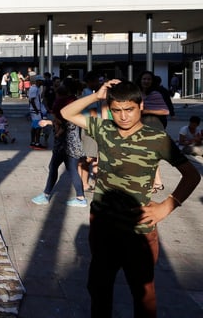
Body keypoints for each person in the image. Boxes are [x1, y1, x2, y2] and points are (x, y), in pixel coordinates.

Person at [61, 79, 200, 317]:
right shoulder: (103, 129)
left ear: (140, 106)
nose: (123, 116)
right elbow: (67, 112)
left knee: (143, 292)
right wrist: (97, 96)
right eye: (117, 110)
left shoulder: (157, 139)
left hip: (138, 228)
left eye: (129, 109)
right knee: (98, 287)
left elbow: (191, 175)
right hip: (104, 224)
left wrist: (167, 206)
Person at [31, 78, 87, 207]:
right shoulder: (75, 100)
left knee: (54, 167)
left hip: (64, 142)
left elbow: (62, 122)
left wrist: (49, 123)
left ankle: (46, 195)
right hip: (74, 140)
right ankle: (80, 197)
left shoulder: (62, 102)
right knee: (71, 169)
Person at [28, 75, 47, 149]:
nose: (42, 82)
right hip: (36, 111)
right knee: (38, 127)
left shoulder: (36, 88)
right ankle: (37, 143)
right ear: (38, 81)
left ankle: (33, 142)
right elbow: (32, 100)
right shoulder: (34, 89)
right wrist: (36, 110)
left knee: (34, 127)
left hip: (35, 110)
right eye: (41, 80)